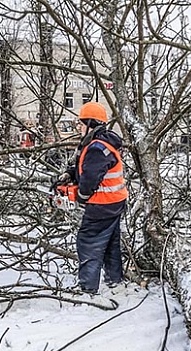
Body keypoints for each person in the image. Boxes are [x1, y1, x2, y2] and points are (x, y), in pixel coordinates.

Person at [55, 102, 127, 295]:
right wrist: (69, 175)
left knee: (88, 243)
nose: (78, 127)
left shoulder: (96, 147)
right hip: (115, 202)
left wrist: (80, 196)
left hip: (102, 204)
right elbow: (84, 166)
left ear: (90, 123)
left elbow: (90, 177)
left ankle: (88, 289)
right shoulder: (101, 142)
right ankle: (115, 280)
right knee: (111, 243)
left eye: (81, 123)